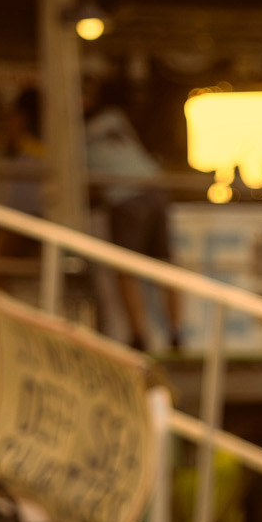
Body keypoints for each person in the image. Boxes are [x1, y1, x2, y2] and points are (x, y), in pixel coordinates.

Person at [83, 76, 182, 353]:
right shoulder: (115, 118)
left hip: (125, 197)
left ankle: (138, 336)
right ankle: (176, 336)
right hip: (155, 188)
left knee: (127, 269)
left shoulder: (69, 130)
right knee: (165, 266)